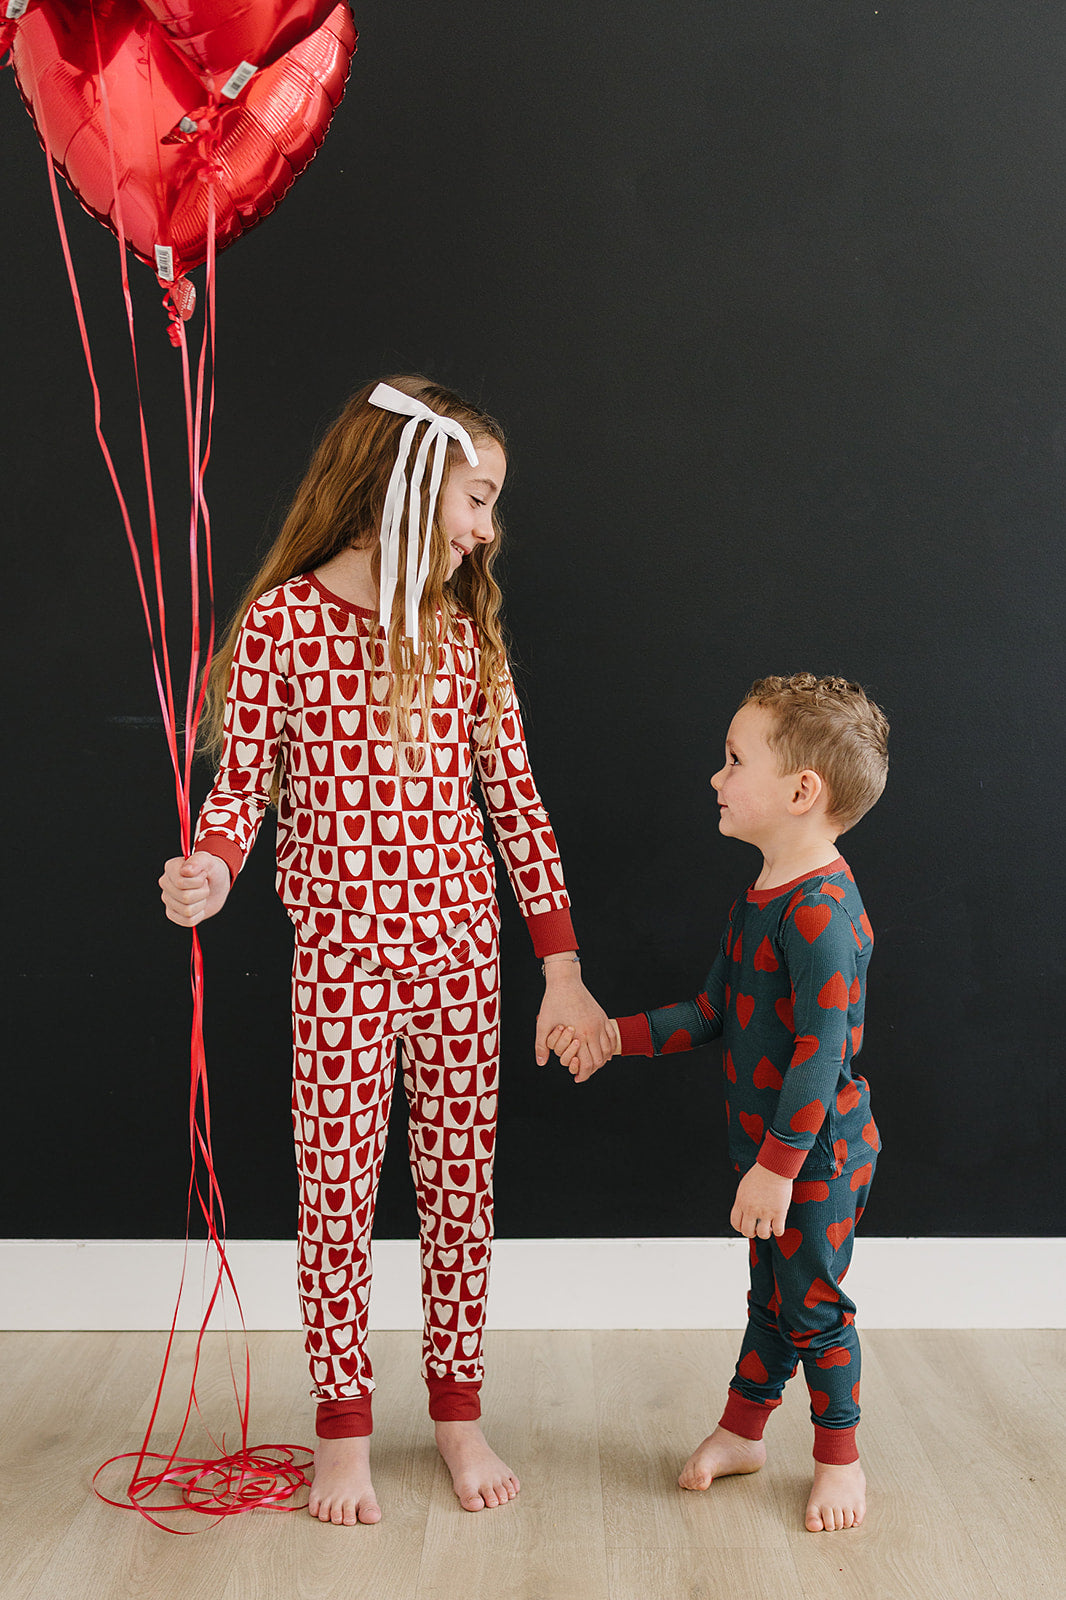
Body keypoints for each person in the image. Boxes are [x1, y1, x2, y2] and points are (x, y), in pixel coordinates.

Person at [159, 376, 613, 1525]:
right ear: (400, 487)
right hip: (342, 966)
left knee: (462, 1195)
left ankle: (458, 1414)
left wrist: (559, 967)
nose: (486, 527)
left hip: (462, 959)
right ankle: (343, 1429)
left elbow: (519, 807)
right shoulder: (283, 625)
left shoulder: (461, 636)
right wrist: (211, 868)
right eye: (476, 497)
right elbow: (242, 786)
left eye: (492, 504)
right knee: (336, 1200)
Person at [548, 673, 889, 1533]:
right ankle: (743, 1432)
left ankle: (841, 1458)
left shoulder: (819, 917)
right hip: (770, 1158)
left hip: (812, 1159)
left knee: (812, 1307)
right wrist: (610, 1035)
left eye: (735, 761)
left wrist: (777, 1171)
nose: (716, 776)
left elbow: (822, 1057)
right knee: (770, 1301)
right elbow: (710, 1013)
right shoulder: (759, 900)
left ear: (800, 791)